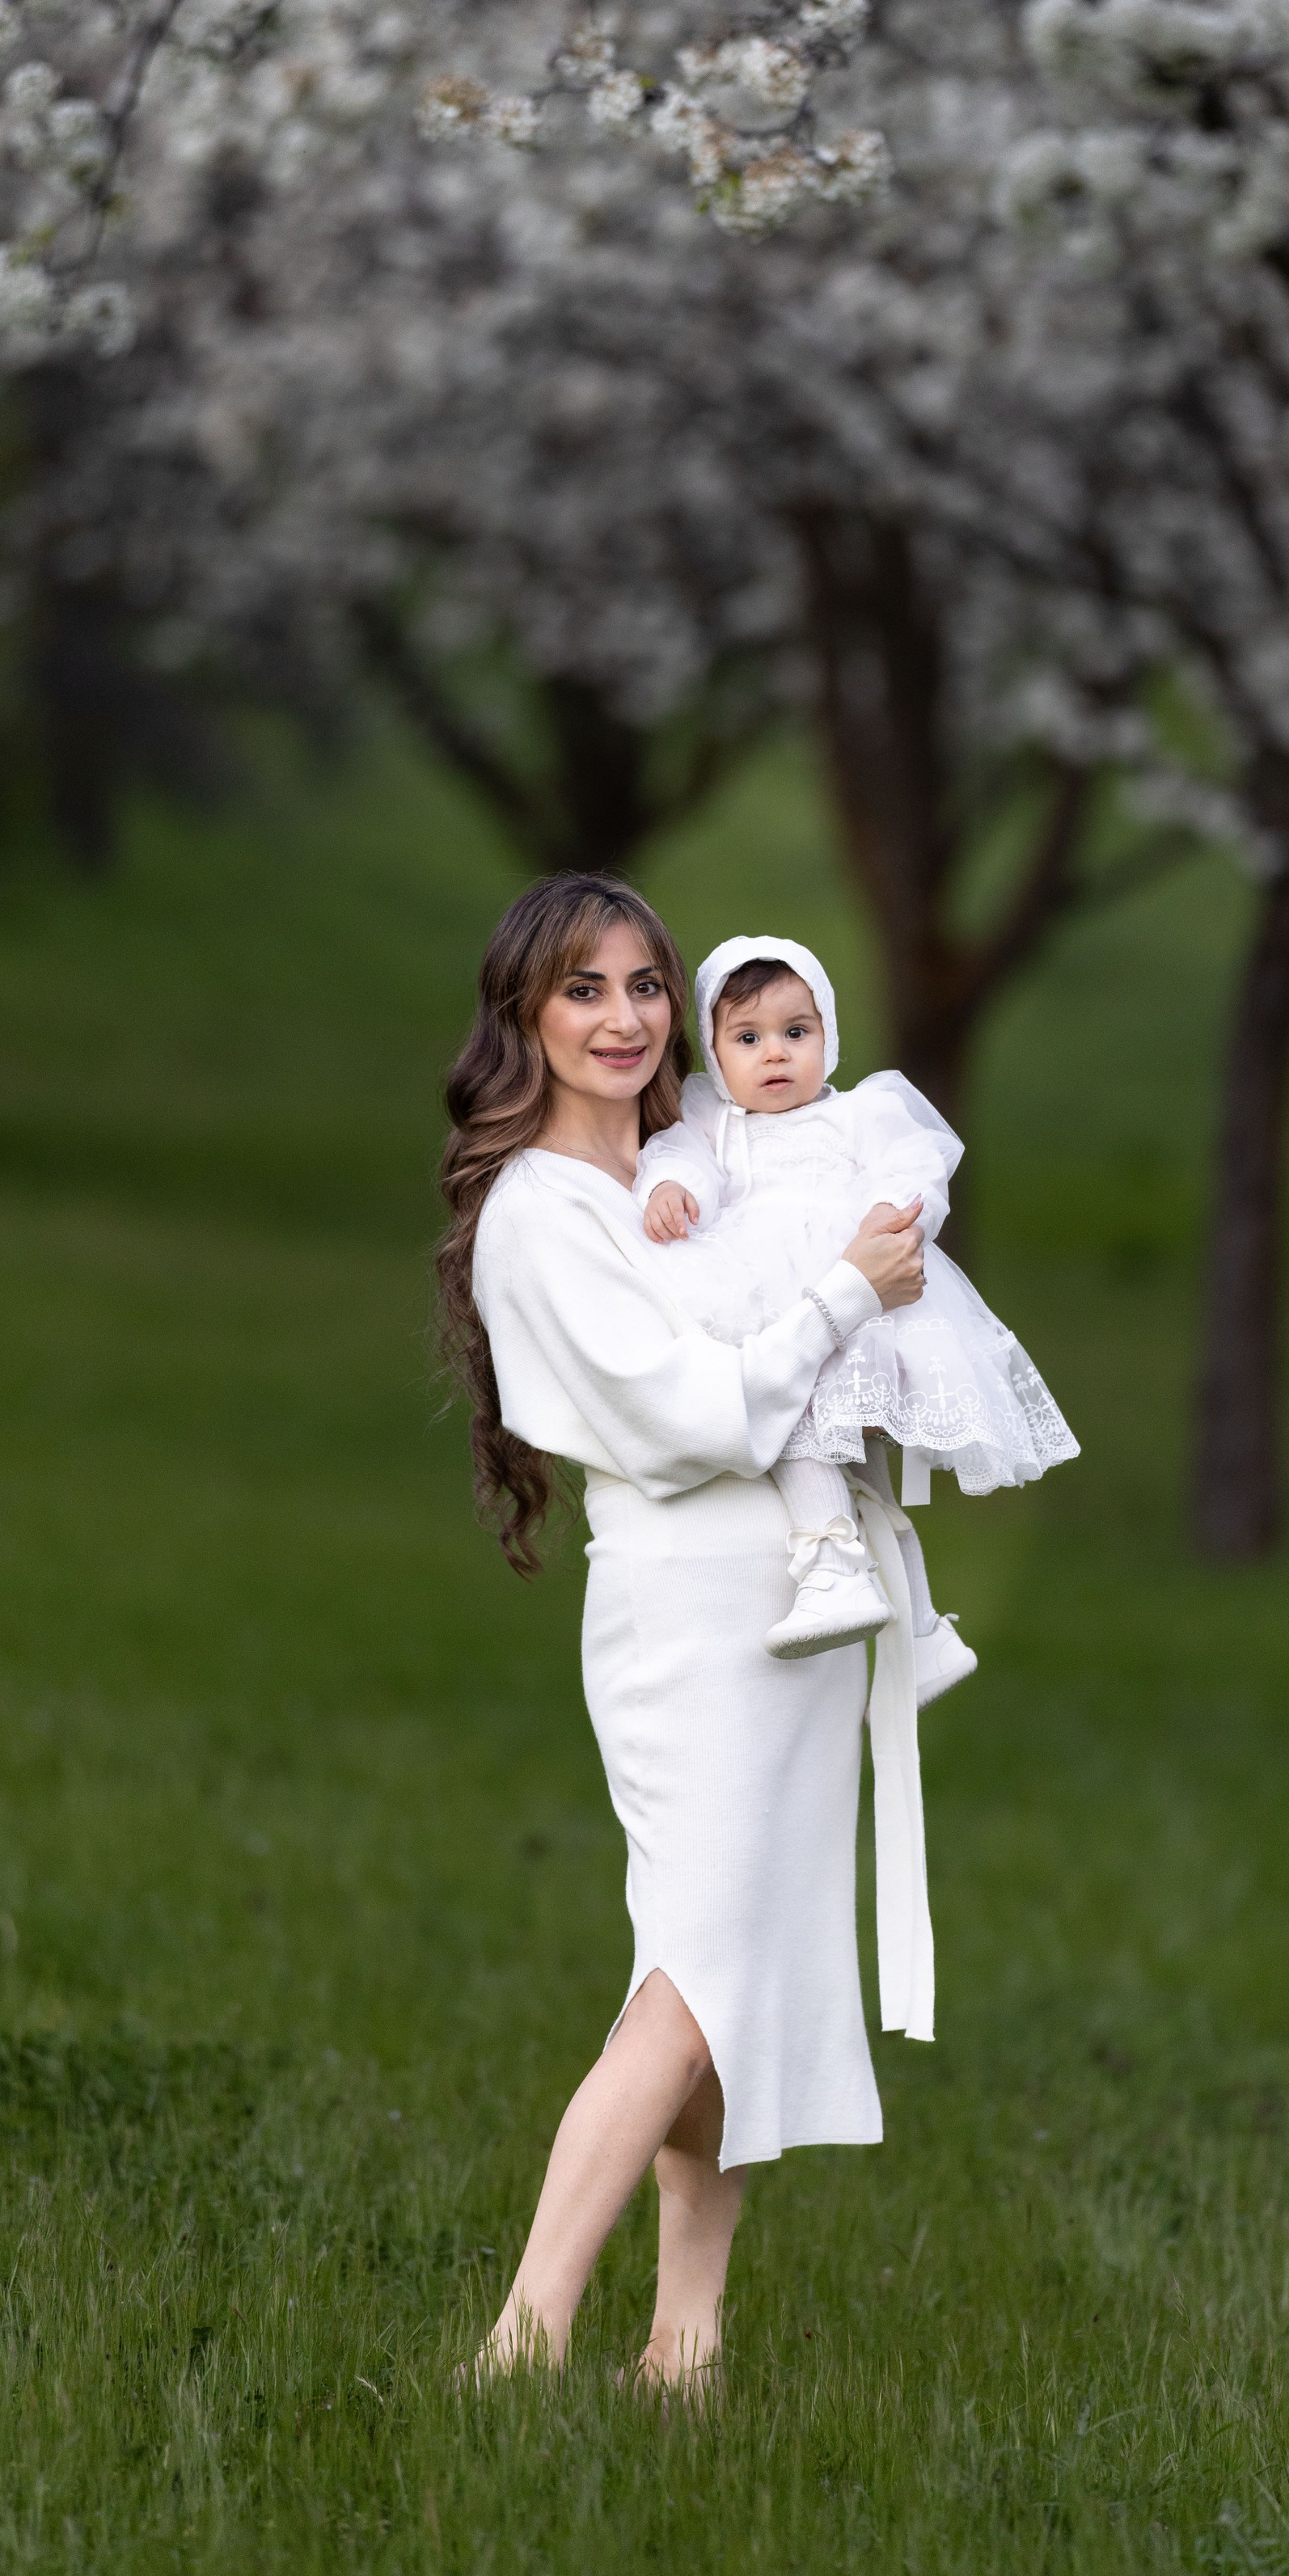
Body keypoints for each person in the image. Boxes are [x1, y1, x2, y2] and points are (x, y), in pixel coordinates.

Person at [440, 872, 947, 2396]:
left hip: (799, 1599)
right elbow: (690, 1415)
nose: (621, 1017)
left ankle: (687, 2337)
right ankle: (522, 2339)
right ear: (528, 1009)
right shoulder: (540, 1211)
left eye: (644, 986)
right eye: (583, 988)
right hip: (692, 1615)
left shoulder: (699, 1161)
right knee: (695, 1976)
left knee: (745, 1973)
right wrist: (843, 1300)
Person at [636, 935, 1079, 1659]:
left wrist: (890, 1209)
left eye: (795, 1032)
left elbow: (916, 1166)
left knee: (844, 1459)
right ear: (716, 1055)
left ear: (828, 1035)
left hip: (860, 1303)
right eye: (748, 1038)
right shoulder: (710, 1121)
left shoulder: (860, 1113)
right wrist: (669, 1188)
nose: (774, 1053)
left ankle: (845, 1575)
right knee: (826, 1446)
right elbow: (678, 1158)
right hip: (778, 1306)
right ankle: (916, 1630)